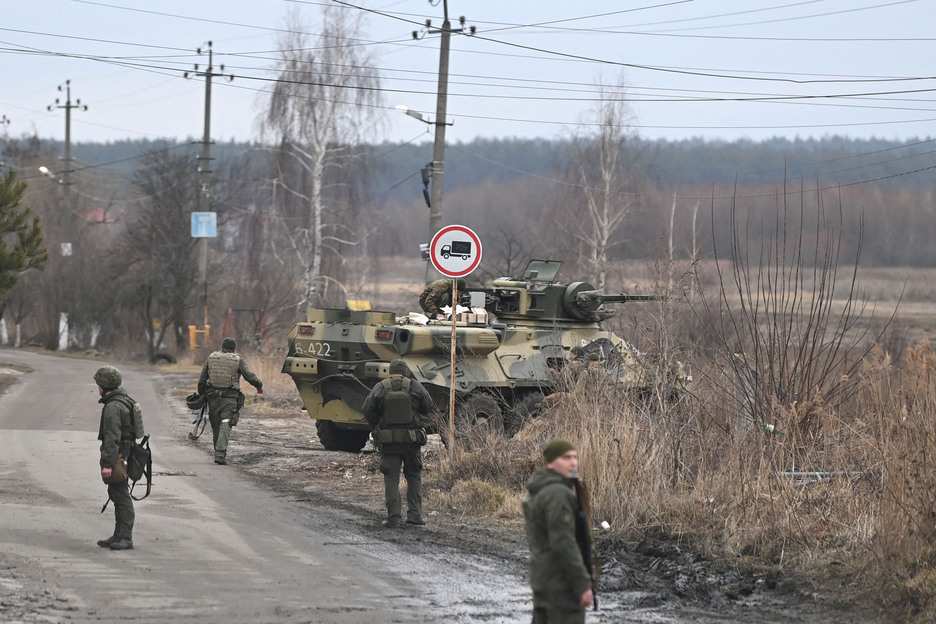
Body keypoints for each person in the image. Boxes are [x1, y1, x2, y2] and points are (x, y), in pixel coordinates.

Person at [523, 439, 594, 623]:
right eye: (566, 458)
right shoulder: (558, 494)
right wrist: (582, 584)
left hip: (544, 580)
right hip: (562, 585)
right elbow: (563, 542)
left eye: (575, 457)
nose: (573, 463)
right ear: (551, 463)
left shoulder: (540, 490)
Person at [362, 359, 433, 528]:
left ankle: (394, 518)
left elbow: (367, 408)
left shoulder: (381, 387)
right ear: (405, 371)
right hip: (411, 441)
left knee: (391, 478)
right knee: (414, 476)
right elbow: (428, 406)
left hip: (389, 442)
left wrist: (377, 425)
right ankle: (415, 515)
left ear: (390, 372)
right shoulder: (415, 386)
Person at [197, 337, 263, 465]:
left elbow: (202, 379)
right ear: (233, 348)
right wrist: (258, 386)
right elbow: (249, 375)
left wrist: (201, 394)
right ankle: (220, 453)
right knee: (225, 423)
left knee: (216, 424)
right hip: (229, 397)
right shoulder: (237, 359)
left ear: (223, 346)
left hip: (212, 397)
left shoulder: (212, 357)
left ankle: (218, 451)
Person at [94, 365, 136, 551]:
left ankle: (125, 537)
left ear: (104, 385)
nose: (98, 387)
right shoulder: (123, 400)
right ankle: (118, 535)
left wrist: (108, 464)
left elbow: (112, 437)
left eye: (99, 384)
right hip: (123, 455)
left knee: (121, 496)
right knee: (117, 494)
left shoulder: (113, 407)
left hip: (117, 457)